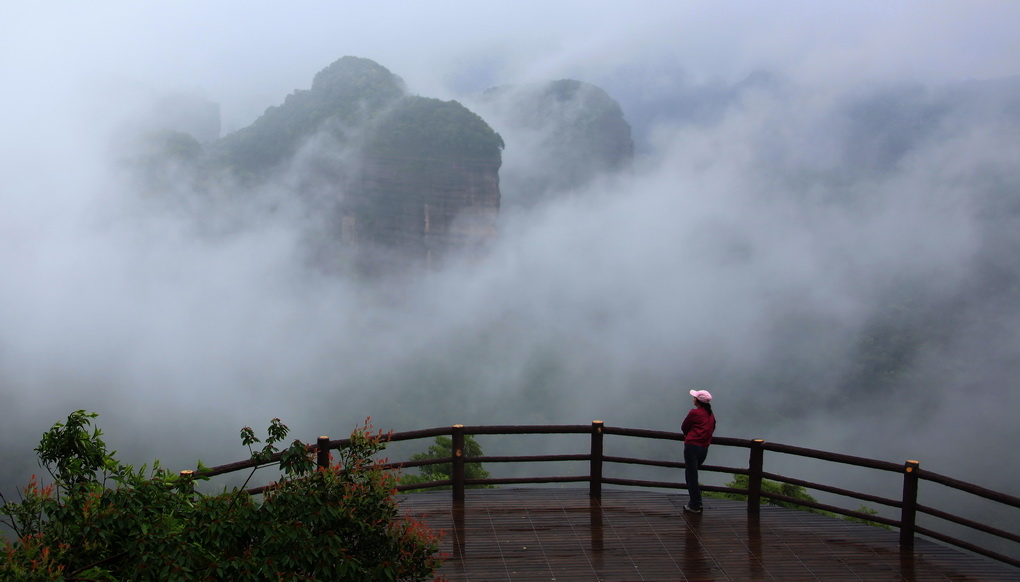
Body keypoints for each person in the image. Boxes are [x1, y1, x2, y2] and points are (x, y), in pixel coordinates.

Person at [681, 389, 716, 513]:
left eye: (694, 397)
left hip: (692, 447)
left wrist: (689, 435)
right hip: (704, 448)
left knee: (691, 476)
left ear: (698, 401)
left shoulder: (694, 413)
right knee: (691, 475)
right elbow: (712, 429)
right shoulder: (710, 415)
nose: (693, 398)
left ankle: (695, 504)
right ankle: (696, 502)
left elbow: (684, 427)